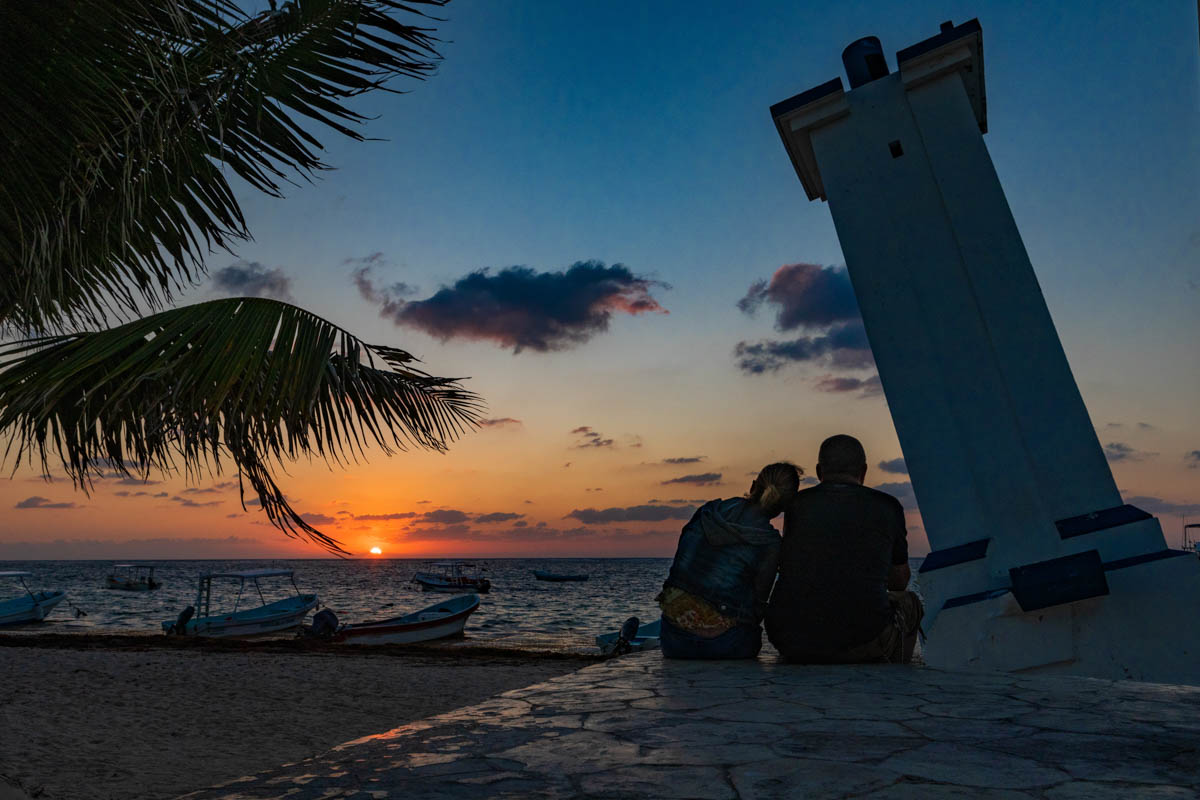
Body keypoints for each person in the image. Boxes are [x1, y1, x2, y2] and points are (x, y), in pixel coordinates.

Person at [766, 435, 923, 664]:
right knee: (911, 603)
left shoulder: (797, 505)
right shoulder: (888, 507)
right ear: (864, 471)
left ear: (820, 471)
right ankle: (897, 670)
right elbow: (899, 582)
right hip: (862, 641)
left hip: (792, 641)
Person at [656, 462, 802, 659]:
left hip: (673, 640)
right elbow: (758, 605)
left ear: (752, 486)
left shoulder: (707, 512)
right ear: (785, 506)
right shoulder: (769, 543)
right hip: (724, 645)